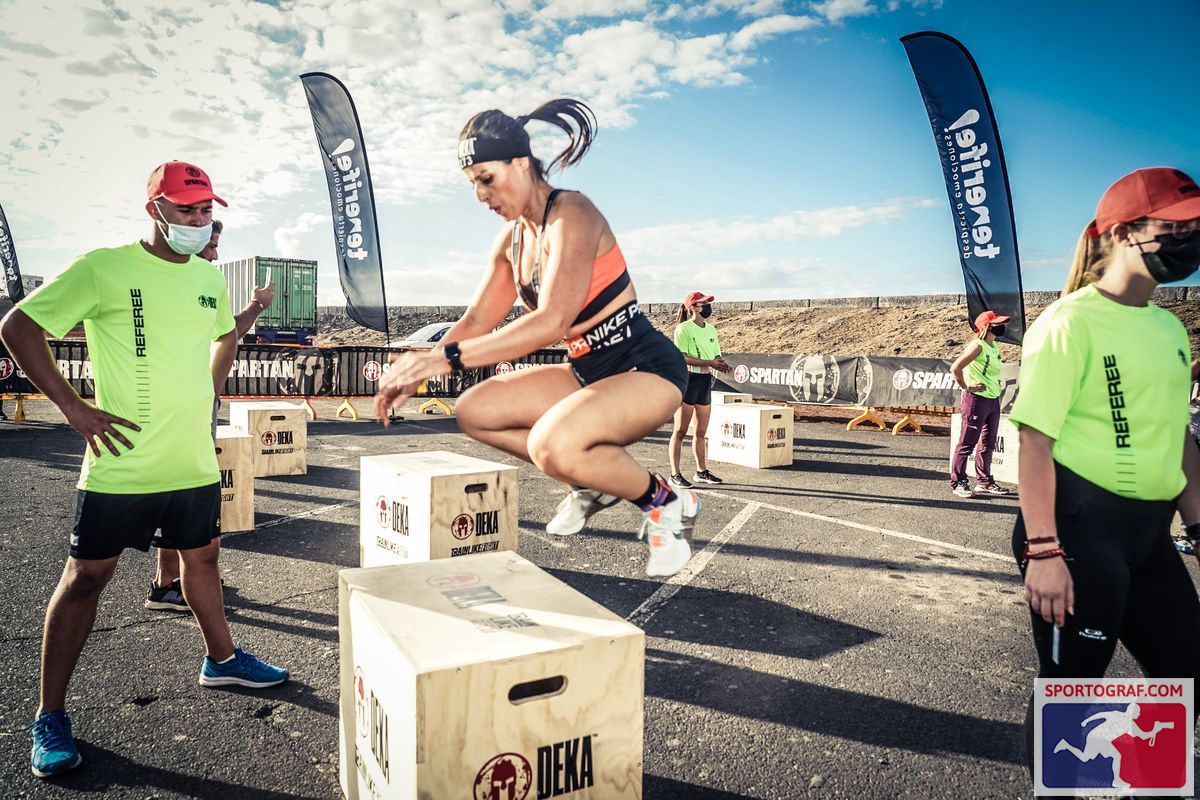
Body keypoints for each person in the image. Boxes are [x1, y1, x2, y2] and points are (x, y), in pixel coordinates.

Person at [0, 161, 288, 779]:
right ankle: (50, 715)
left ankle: (223, 659)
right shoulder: (103, 267)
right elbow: (18, 326)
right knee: (84, 581)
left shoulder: (207, 280)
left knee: (204, 560)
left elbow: (220, 337)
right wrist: (72, 407)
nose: (198, 221)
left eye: (206, 210)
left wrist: (254, 312)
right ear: (155, 210)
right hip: (121, 463)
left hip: (190, 459)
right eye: (186, 210)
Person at [374, 98, 697, 577]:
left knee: (552, 444)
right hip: (587, 369)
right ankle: (593, 482)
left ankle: (668, 502)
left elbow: (550, 320)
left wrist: (447, 360)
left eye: (487, 178)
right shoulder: (512, 241)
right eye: (473, 185)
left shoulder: (573, 212)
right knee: (474, 411)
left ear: (521, 164)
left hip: (644, 366)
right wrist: (418, 367)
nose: (481, 195)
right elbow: (476, 323)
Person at [1008, 166, 1200, 775]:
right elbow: (1034, 442)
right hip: (1077, 532)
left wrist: (1199, 529)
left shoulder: (1171, 329)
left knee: (1184, 673)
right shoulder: (1070, 321)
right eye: (1176, 227)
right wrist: (1044, 550)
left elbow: (1180, 442)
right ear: (1121, 233)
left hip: (1149, 535)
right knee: (1074, 695)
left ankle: (1152, 784)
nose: (1189, 241)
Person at [145, 218, 277, 612]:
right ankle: (169, 583)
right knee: (177, 494)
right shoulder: (165, 284)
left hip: (198, 403)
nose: (215, 253)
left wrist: (257, 305)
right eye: (210, 244)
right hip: (177, 408)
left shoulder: (203, 283)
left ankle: (180, 580)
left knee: (183, 495)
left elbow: (229, 332)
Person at [667, 291, 731, 488]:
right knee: (680, 430)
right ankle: (674, 475)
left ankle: (701, 472)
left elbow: (716, 355)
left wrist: (722, 364)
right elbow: (683, 357)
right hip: (688, 380)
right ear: (693, 307)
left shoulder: (711, 329)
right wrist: (711, 362)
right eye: (703, 303)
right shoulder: (683, 329)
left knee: (701, 431)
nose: (708, 306)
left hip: (704, 381)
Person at [947, 310, 1012, 498]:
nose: (1001, 326)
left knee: (988, 444)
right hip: (976, 400)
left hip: (992, 400)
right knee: (967, 443)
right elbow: (955, 368)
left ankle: (984, 482)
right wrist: (967, 386)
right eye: (997, 324)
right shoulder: (977, 345)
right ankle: (958, 481)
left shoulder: (994, 346)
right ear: (987, 327)